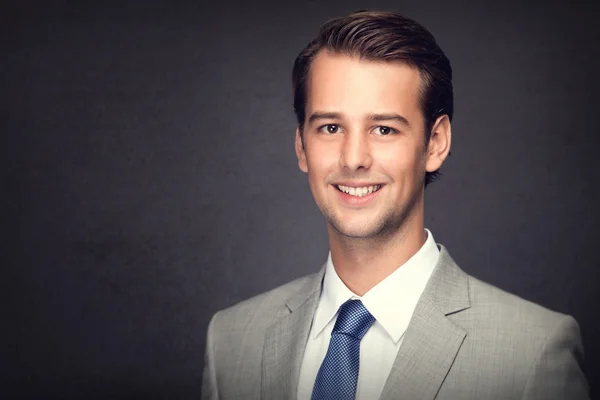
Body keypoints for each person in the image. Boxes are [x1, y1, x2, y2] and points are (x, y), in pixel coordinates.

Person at [201, 10, 589, 400]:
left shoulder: (531, 354)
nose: (354, 158)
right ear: (301, 145)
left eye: (384, 129)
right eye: (330, 128)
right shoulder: (231, 342)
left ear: (435, 143)